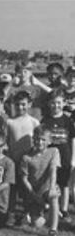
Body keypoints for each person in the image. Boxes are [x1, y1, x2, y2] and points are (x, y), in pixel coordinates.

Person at [20, 126, 61, 236]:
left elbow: (53, 170)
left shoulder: (54, 151)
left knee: (53, 196)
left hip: (47, 188)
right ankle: (50, 211)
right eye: (37, 139)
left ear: (49, 141)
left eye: (43, 139)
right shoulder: (26, 157)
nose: (40, 142)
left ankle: (52, 231)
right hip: (34, 192)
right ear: (33, 139)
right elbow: (24, 179)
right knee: (37, 224)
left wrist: (52, 187)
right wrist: (35, 196)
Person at [40, 89, 75, 221]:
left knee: (64, 184)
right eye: (53, 103)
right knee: (49, 182)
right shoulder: (45, 120)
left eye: (59, 103)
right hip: (50, 158)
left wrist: (73, 159)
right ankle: (48, 206)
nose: (56, 106)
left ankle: (64, 209)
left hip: (65, 156)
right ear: (49, 104)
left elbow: (73, 139)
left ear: (64, 103)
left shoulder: (67, 120)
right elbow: (42, 139)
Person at [6, 91, 40, 225]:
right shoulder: (10, 122)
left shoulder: (34, 122)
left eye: (24, 104)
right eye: (18, 104)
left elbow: (38, 142)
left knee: (27, 189)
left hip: (28, 162)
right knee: (12, 189)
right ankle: (11, 214)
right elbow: (7, 142)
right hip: (13, 161)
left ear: (29, 104)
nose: (20, 107)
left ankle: (27, 214)